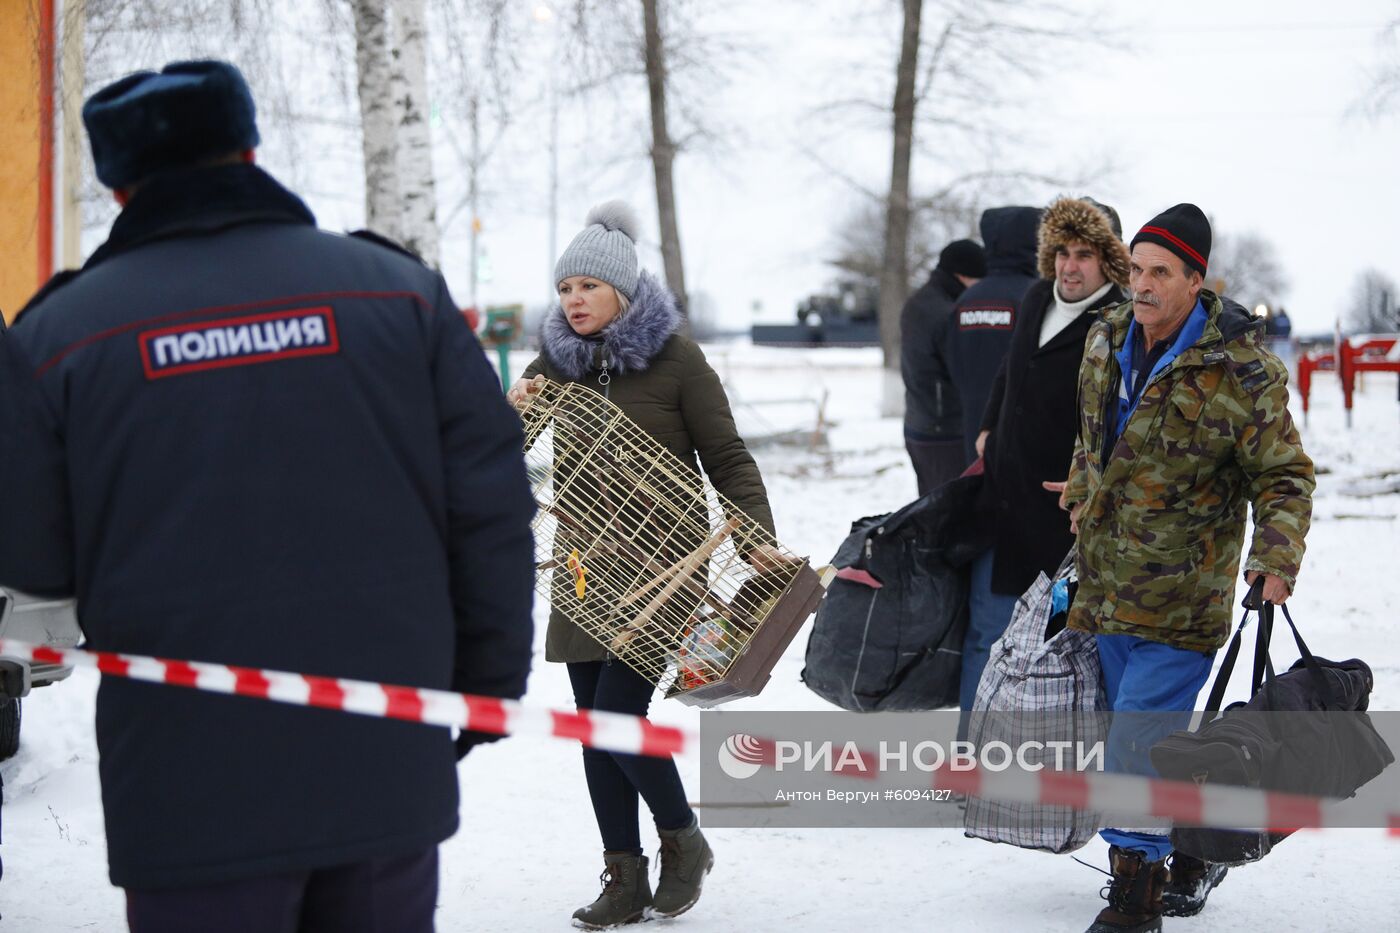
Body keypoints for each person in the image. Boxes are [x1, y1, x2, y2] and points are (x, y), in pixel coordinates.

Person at [0, 61, 535, 933]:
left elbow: (33, 560)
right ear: (249, 146)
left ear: (116, 182)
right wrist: (481, 684)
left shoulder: (59, 336)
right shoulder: (393, 293)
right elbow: (489, 508)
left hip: (185, 783)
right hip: (381, 756)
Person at [507, 201, 779, 929]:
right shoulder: (555, 362)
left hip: (665, 565)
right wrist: (512, 408)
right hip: (584, 564)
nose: (573, 301)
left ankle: (682, 839)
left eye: (587, 288)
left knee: (618, 713)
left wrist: (755, 536)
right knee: (592, 724)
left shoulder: (678, 359)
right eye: (565, 290)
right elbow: (505, 442)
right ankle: (623, 875)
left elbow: (726, 457)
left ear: (622, 292)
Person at [1057, 203, 1314, 933]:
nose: (1139, 284)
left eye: (1157, 272)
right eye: (1134, 269)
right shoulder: (1105, 339)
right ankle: (1186, 848)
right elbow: (1089, 438)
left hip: (1182, 596)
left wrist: (1276, 556)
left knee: (1140, 736)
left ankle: (1134, 894)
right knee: (1128, 732)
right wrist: (1081, 487)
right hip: (1104, 588)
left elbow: (1286, 476)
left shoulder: (1243, 370)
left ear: (1195, 279)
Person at [959, 197, 1130, 725]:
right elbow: (1009, 371)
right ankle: (969, 758)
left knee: (1056, 643)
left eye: (1083, 254)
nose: (1069, 266)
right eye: (1061, 252)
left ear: (1107, 260)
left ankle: (1048, 776)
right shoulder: (1035, 298)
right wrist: (988, 427)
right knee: (987, 634)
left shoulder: (1120, 319)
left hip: (1064, 520)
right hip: (1004, 503)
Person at [945, 205, 1042, 467]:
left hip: (974, 434)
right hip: (1027, 439)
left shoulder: (965, 300)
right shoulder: (1038, 296)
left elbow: (952, 363)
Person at [900, 239, 987, 496]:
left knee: (931, 504)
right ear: (961, 275)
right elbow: (964, 370)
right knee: (947, 509)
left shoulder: (920, 300)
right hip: (943, 430)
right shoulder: (945, 312)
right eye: (978, 279)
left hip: (921, 422)